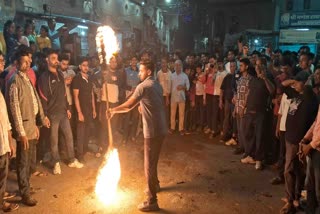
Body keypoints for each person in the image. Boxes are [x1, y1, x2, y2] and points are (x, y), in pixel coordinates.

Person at [107, 60, 167, 212]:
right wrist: (143, 106)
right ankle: (156, 185)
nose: (139, 73)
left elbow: (128, 106)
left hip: (152, 131)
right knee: (153, 161)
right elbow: (154, 102)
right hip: (161, 129)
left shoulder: (143, 86)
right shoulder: (156, 84)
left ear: (148, 72)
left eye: (141, 71)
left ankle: (152, 201)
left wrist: (113, 110)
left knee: (149, 166)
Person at [6, 49, 50, 206]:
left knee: (31, 162)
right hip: (23, 129)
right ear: (17, 64)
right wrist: (21, 133)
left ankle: (26, 187)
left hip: (31, 126)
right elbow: (15, 109)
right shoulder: (14, 81)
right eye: (24, 62)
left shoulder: (27, 79)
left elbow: (33, 103)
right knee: (23, 163)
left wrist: (38, 123)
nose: (28, 63)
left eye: (29, 61)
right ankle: (24, 194)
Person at [37, 49, 83, 174]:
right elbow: (42, 98)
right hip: (52, 114)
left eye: (57, 59)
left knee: (69, 136)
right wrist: (45, 116)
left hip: (63, 112)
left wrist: (67, 108)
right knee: (54, 140)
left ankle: (72, 159)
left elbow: (64, 94)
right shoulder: (43, 78)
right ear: (47, 60)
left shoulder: (60, 74)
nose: (56, 61)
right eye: (53, 58)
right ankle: (56, 163)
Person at [0, 50, 19, 212]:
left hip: (3, 140)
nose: (1, 63)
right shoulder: (11, 79)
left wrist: (8, 136)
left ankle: (1, 197)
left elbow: (4, 116)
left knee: (3, 172)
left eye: (2, 60)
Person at [72, 57, 97, 162]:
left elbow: (92, 94)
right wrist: (79, 112)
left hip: (89, 110)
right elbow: (75, 96)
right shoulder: (77, 78)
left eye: (87, 65)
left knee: (87, 131)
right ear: (79, 66)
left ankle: (85, 150)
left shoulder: (89, 78)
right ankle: (80, 154)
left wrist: (94, 109)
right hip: (81, 109)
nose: (86, 67)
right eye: (83, 65)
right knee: (81, 132)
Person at [169, 60, 190, 135]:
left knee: (181, 114)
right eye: (176, 65)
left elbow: (188, 87)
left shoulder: (184, 76)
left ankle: (181, 129)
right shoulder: (171, 75)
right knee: (173, 113)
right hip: (173, 97)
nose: (177, 66)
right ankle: (172, 127)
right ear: (174, 66)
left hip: (182, 97)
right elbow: (169, 87)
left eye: (179, 65)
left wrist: (183, 87)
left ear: (181, 66)